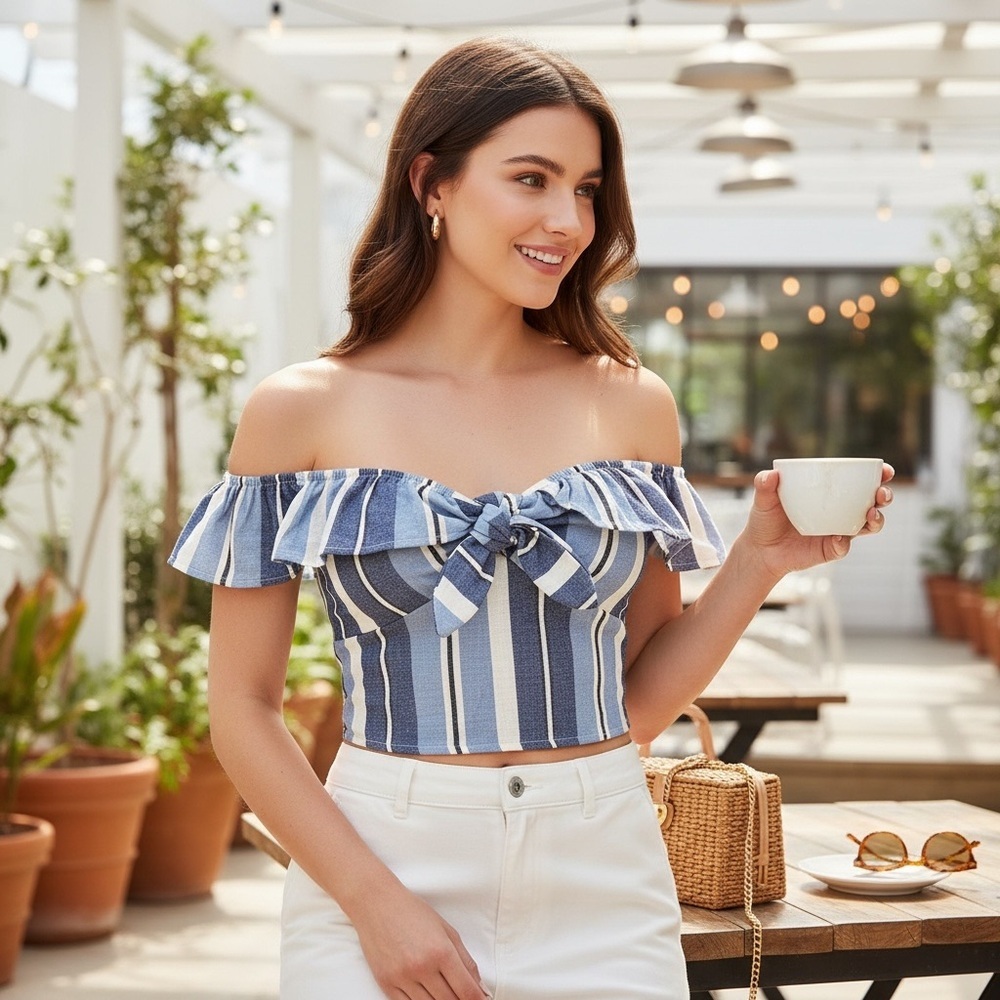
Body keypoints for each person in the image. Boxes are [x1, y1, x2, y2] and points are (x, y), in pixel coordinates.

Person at [169, 37, 893, 1000]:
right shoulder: (300, 410)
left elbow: (637, 701)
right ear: (431, 181)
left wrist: (759, 561)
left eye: (587, 190)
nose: (569, 220)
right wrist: (375, 906)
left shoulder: (630, 403)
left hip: (600, 873)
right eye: (531, 179)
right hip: (382, 866)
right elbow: (242, 709)